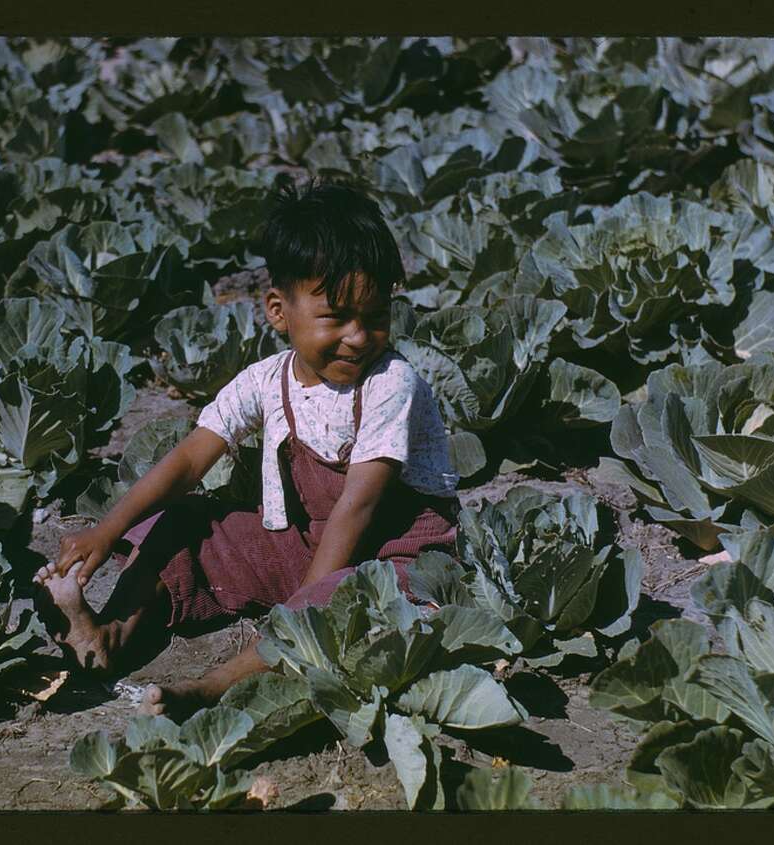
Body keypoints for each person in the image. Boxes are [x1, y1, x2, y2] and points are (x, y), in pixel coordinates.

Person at [33, 178, 460, 721]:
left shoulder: (391, 384)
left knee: (349, 603)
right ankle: (111, 634)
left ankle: (212, 688)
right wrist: (105, 531)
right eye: (336, 317)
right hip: (303, 545)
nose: (358, 336)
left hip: (391, 555)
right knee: (186, 523)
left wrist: (297, 612)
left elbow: (359, 507)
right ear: (279, 311)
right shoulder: (266, 380)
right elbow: (189, 460)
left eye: (376, 317)